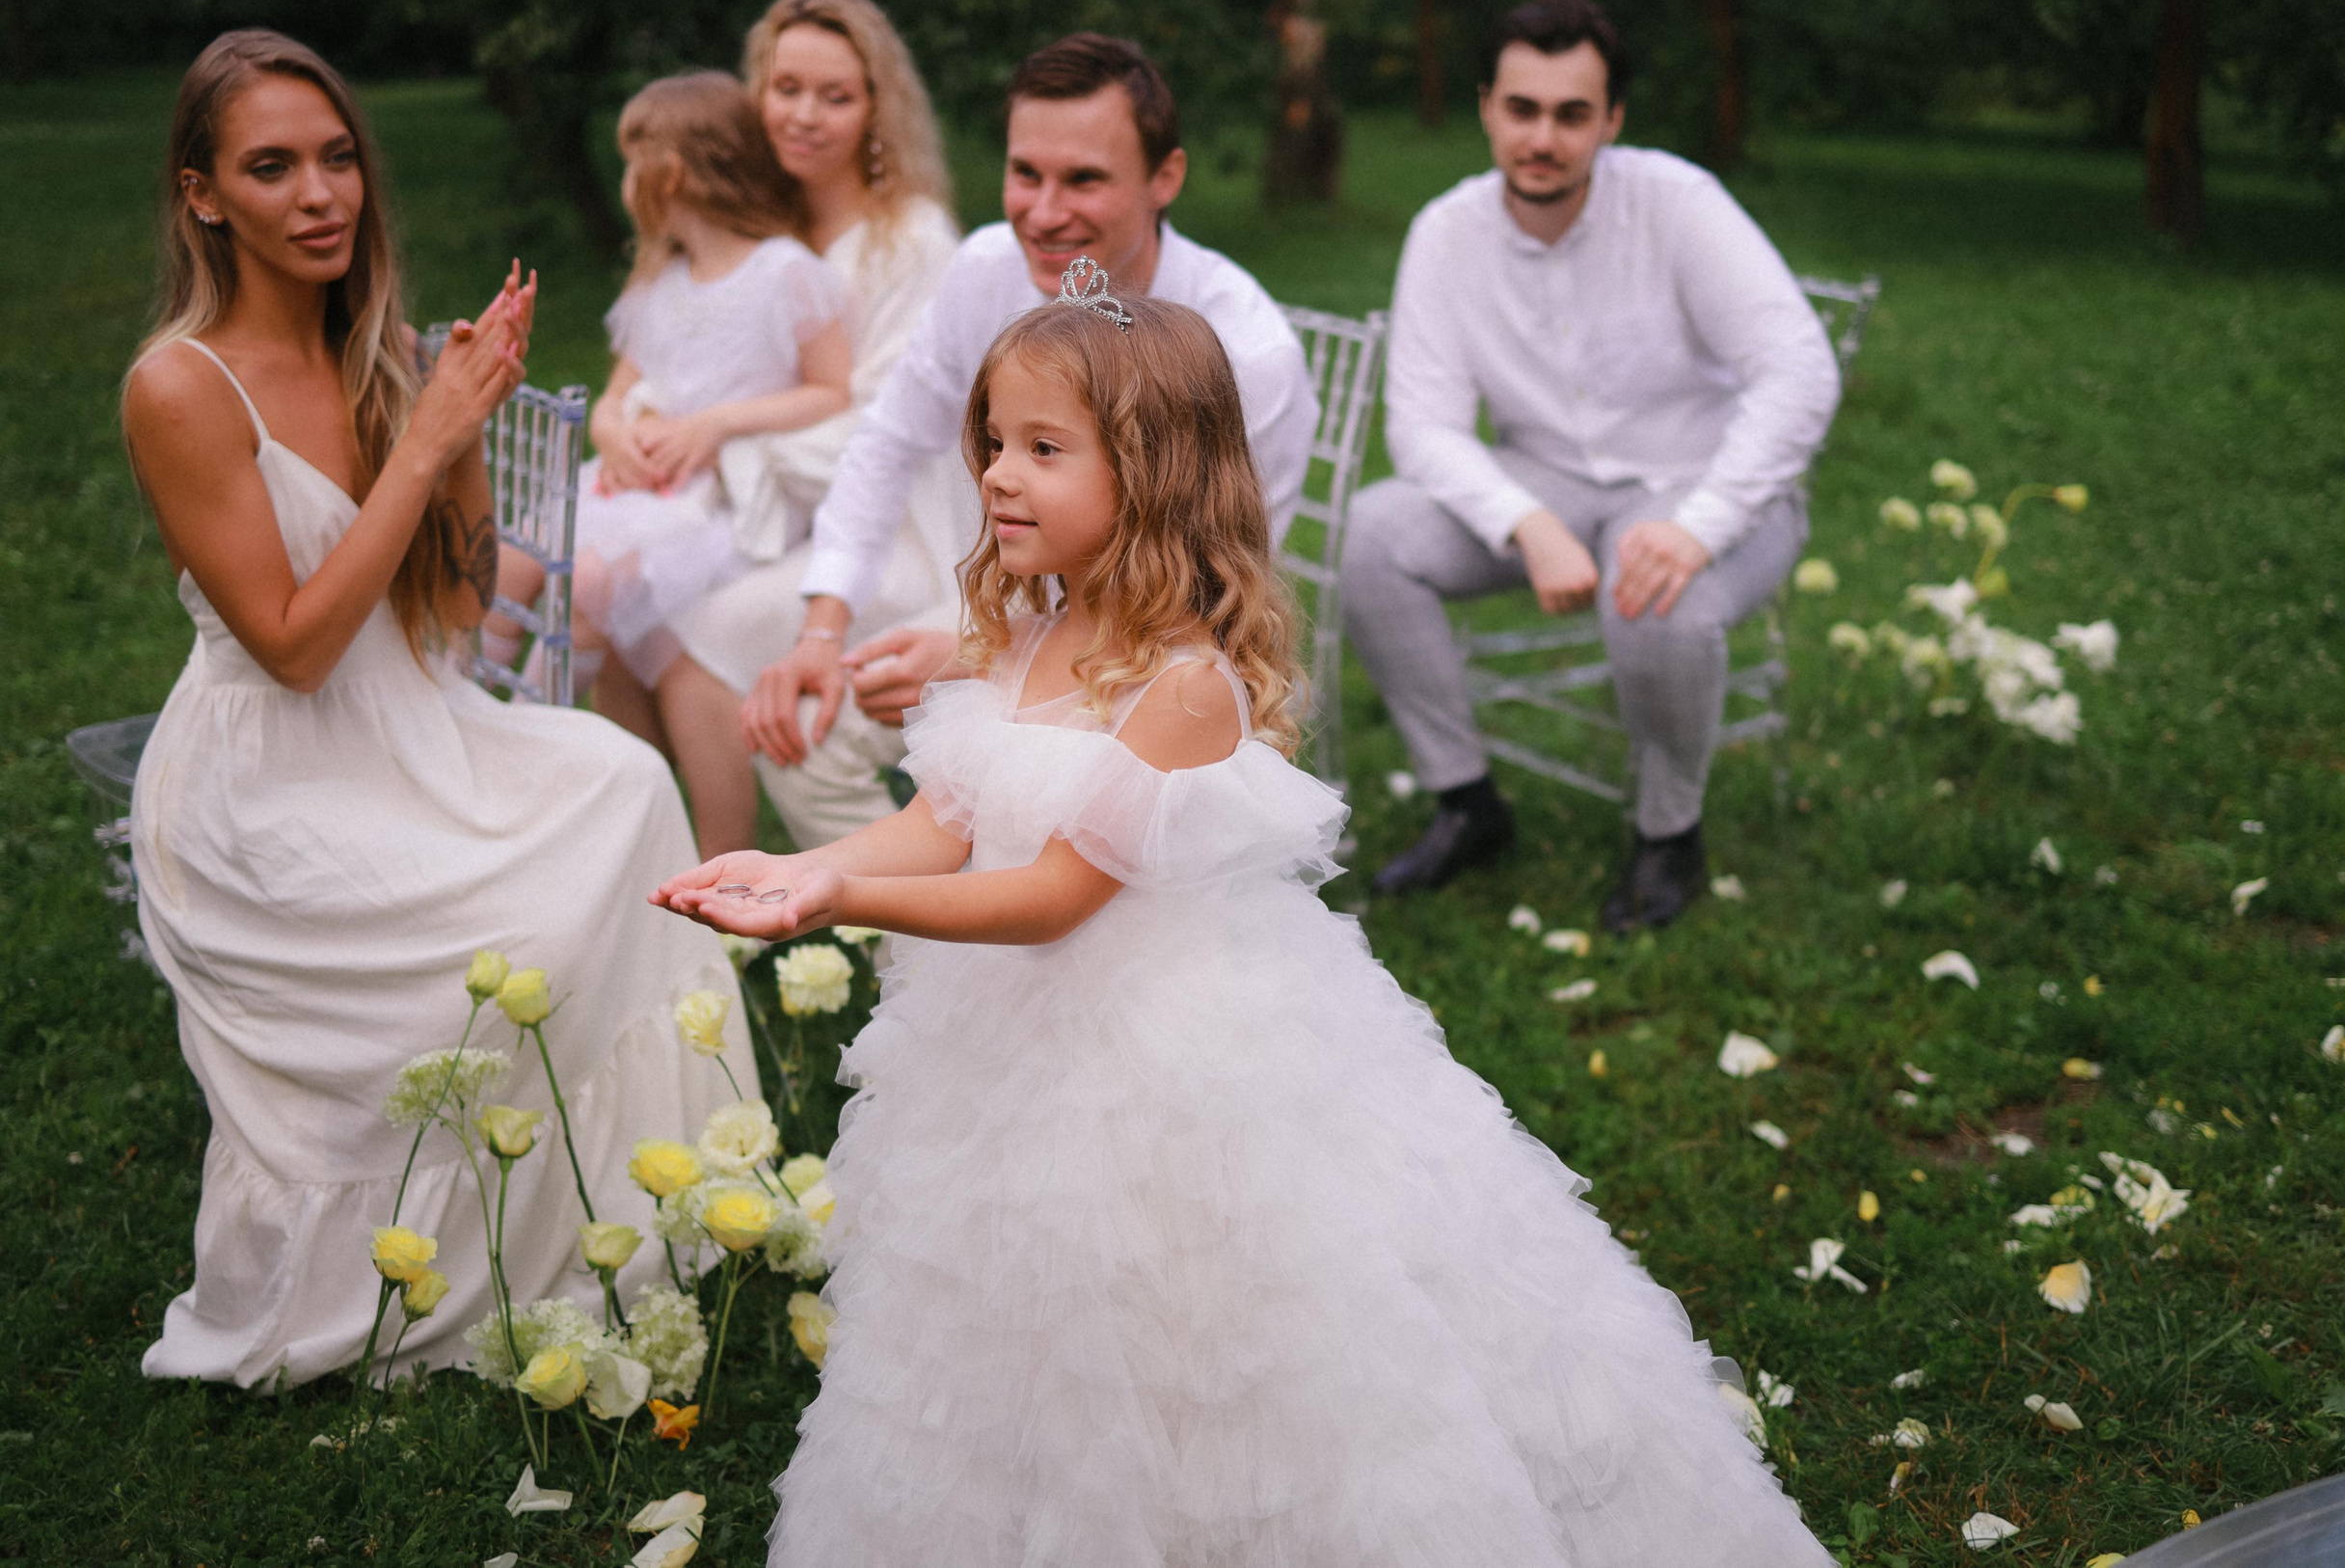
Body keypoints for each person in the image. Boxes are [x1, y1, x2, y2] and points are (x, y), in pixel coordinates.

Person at [653, 286, 1834, 1567]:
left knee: (1198, 1321)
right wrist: (807, 858)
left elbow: (1053, 894)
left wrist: (839, 899)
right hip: (1005, 1050)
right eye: (994, 439)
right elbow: (946, 820)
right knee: (1016, 1302)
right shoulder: (1029, 630)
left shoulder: (1184, 686)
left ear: (1154, 473)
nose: (999, 473)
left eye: (1045, 450)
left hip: (1170, 1066)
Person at [121, 30, 752, 1390]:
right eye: (271, 166)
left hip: (413, 730)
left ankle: (634, 1207)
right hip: (265, 785)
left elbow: (462, 612)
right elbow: (293, 647)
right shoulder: (180, 384)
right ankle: (420, 1265)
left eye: (338, 157)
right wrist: (423, 440)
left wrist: (453, 431)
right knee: (509, 929)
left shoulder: (383, 352)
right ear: (203, 196)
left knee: (626, 781)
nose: (318, 193)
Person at [738, 33, 1314, 850]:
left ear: (1165, 178)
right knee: (809, 719)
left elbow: (1209, 587)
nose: (1044, 214)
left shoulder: (1247, 352)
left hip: (1157, 646)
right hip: (996, 584)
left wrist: (981, 654)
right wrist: (824, 629)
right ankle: (912, 938)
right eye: (1025, 174)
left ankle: (990, 906)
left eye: (1084, 179)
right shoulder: (981, 268)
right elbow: (888, 440)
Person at [1342, 0, 1842, 932]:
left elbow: (1799, 372)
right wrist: (1522, 523)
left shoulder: (1678, 202)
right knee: (1371, 536)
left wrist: (1697, 527)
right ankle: (1468, 801)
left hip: (1706, 478)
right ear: (1487, 107)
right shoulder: (1445, 233)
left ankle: (1668, 834)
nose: (1544, 137)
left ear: (1611, 120)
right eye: (1521, 109)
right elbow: (1421, 426)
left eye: (1573, 114)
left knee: (1654, 591)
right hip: (1548, 480)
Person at [623, 0, 967, 856]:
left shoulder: (910, 239)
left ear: (876, 111)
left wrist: (721, 437)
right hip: (765, 509)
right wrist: (641, 426)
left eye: (836, 96)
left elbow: (889, 429)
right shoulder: (760, 228)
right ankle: (642, 849)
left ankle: (726, 871)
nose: (803, 116)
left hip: (898, 530)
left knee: (700, 628)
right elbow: (679, 351)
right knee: (630, 599)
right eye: (785, 89)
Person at [491, 69, 853, 858]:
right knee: (518, 549)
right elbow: (618, 393)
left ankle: (534, 732)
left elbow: (833, 391)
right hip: (642, 485)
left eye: (631, 162)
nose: (623, 182)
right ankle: (469, 708)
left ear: (671, 174)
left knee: (587, 583)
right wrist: (616, 432)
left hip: (713, 501)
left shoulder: (784, 270)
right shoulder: (660, 278)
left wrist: (716, 425)